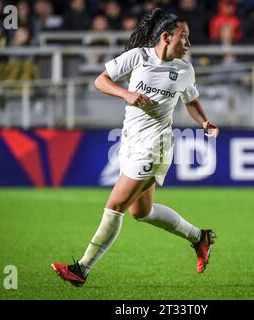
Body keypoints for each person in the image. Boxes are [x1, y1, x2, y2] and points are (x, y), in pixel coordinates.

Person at [51, 8, 219, 287]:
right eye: (184, 37)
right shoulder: (138, 57)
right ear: (166, 37)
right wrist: (125, 93)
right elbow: (101, 80)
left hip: (155, 147)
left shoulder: (184, 70)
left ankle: (81, 269)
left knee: (115, 205)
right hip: (130, 141)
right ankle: (199, 237)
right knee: (141, 212)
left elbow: (191, 101)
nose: (188, 43)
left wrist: (205, 122)